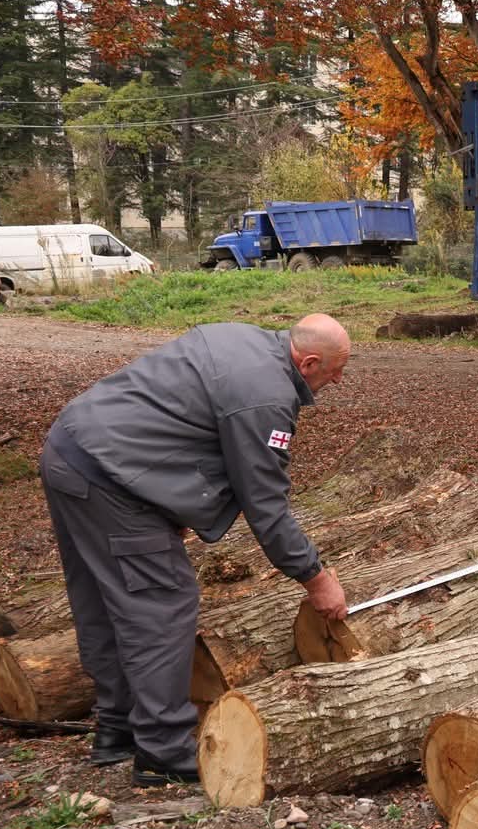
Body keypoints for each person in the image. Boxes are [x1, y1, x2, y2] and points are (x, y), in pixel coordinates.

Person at [39, 314, 352, 784]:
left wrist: (175, 503)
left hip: (71, 451)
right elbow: (265, 503)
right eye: (335, 370)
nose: (338, 380)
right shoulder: (265, 396)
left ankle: (118, 729)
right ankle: (163, 749)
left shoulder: (242, 339)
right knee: (163, 604)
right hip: (112, 476)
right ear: (308, 362)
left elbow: (179, 423)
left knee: (105, 600)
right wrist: (316, 578)